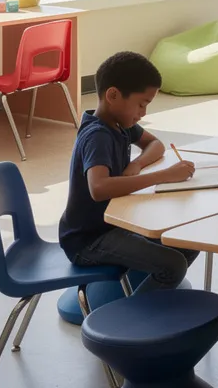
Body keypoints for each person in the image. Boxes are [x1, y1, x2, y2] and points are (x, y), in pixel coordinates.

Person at [59, 52, 199, 294]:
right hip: (89, 239)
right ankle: (131, 323)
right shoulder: (97, 135)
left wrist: (136, 165)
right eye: (141, 104)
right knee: (173, 265)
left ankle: (150, 289)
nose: (143, 113)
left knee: (187, 241)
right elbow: (99, 188)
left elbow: (155, 144)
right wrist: (161, 176)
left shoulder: (118, 123)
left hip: (115, 223)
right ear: (113, 95)